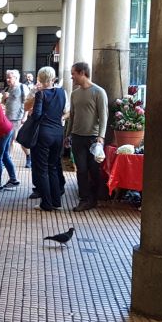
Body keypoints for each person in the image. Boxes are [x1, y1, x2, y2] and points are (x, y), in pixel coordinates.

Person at [65, 62, 108, 212]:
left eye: (74, 74)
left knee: (94, 170)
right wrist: (68, 135)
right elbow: (72, 115)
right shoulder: (74, 93)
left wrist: (101, 137)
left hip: (93, 138)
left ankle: (95, 197)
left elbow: (104, 116)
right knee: (81, 169)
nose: (72, 77)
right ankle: (84, 199)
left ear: (82, 73)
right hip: (77, 137)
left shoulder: (99, 92)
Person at [30, 67, 67, 211]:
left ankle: (46, 203)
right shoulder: (62, 92)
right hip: (58, 133)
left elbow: (37, 115)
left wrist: (33, 113)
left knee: (42, 169)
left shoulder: (41, 94)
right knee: (53, 167)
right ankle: (56, 201)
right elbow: (63, 111)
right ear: (53, 77)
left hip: (43, 134)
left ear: (40, 78)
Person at [2, 69, 30, 168]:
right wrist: (4, 98)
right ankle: (8, 158)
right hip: (7, 118)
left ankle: (28, 157)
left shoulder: (23, 87)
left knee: (15, 139)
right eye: (7, 77)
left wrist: (25, 116)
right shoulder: (7, 89)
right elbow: (3, 103)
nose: (8, 79)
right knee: (11, 139)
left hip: (18, 118)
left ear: (16, 78)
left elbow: (26, 103)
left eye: (10, 77)